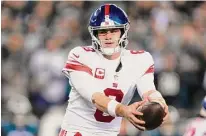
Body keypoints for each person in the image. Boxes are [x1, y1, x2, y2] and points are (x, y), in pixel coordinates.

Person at [59, 4, 169, 136]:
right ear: (95, 33)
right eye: (103, 31)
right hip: (78, 132)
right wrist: (123, 110)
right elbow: (95, 97)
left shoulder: (140, 59)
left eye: (114, 30)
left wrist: (158, 101)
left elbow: (148, 90)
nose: (108, 36)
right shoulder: (80, 55)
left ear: (123, 32)